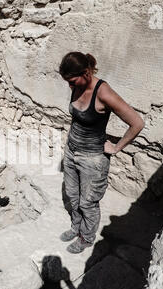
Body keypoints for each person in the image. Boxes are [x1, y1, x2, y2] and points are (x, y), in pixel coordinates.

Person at [58, 52, 145, 254]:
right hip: (71, 151)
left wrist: (116, 147)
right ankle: (76, 226)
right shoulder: (76, 85)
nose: (70, 86)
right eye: (67, 82)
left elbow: (137, 123)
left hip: (92, 159)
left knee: (87, 202)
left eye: (72, 81)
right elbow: (78, 118)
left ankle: (86, 238)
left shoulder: (103, 92)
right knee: (72, 194)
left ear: (86, 73)